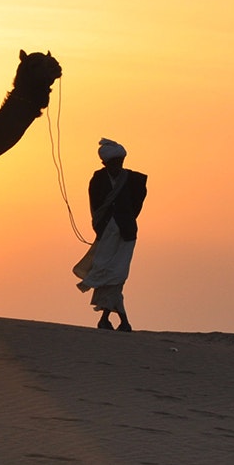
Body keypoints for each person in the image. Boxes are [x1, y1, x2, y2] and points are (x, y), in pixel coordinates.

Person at [74, 138, 148, 330]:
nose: (117, 165)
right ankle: (119, 321)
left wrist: (124, 219)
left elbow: (137, 205)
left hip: (125, 234)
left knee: (116, 274)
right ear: (105, 163)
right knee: (108, 273)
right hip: (107, 233)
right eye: (114, 162)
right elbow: (95, 206)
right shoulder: (98, 180)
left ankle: (113, 320)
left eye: (119, 162)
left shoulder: (134, 180)